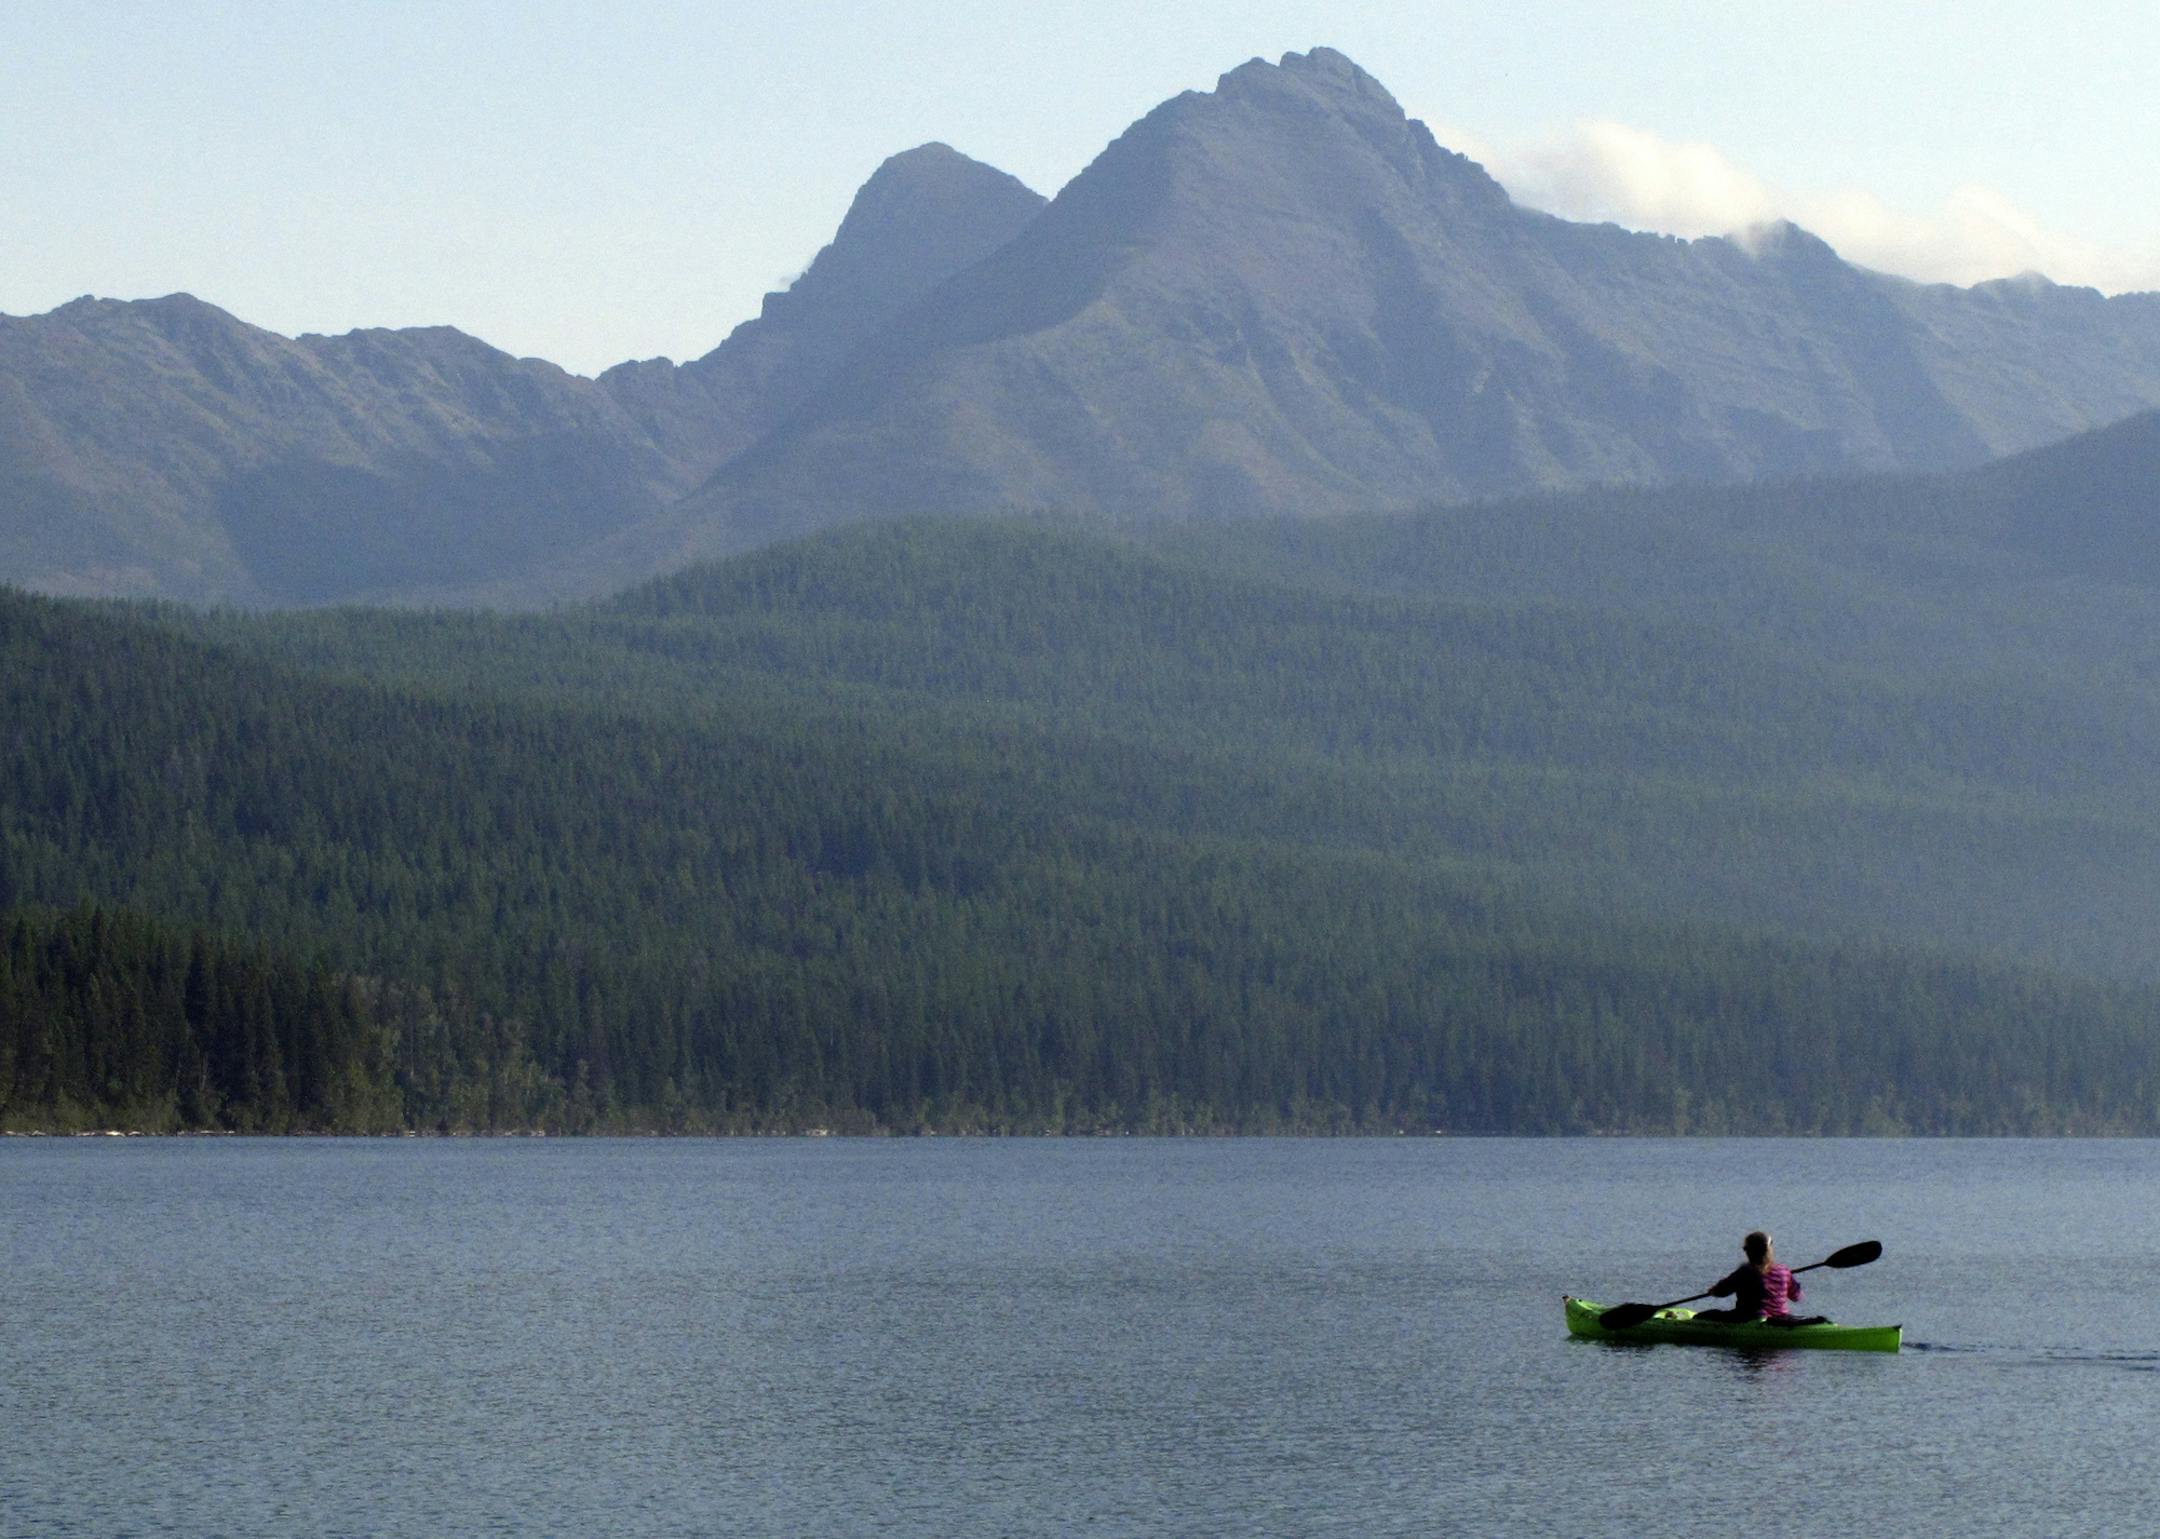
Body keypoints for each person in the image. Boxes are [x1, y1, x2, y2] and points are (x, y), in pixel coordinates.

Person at [1694, 1231, 1826, 1326]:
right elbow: (1797, 1297)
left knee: (1700, 1317)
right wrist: (1788, 1280)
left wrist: (1713, 1291)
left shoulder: (1746, 1271)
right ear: (1769, 1250)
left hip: (1750, 1318)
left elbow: (1722, 1292)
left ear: (1748, 1251)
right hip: (1780, 1318)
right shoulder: (1783, 1270)